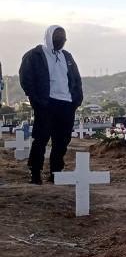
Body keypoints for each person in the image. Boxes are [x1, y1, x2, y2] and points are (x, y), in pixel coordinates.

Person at [19, 26, 83, 185]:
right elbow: (26, 79)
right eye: (58, 38)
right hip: (46, 103)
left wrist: (76, 99)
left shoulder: (66, 57)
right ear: (49, 37)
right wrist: (37, 100)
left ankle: (56, 172)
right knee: (41, 139)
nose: (61, 41)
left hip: (66, 104)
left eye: (63, 39)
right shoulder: (35, 55)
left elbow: (76, 79)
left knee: (62, 140)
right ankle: (35, 172)